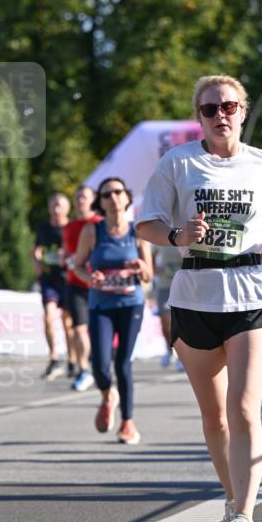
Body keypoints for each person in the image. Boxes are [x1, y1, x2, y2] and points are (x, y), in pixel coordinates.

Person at [136, 75, 262, 522]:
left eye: (229, 106)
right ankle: (233, 500)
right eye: (209, 109)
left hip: (252, 293)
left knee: (244, 409)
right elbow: (146, 224)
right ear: (199, 116)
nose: (220, 115)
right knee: (216, 417)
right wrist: (180, 235)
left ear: (243, 111)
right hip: (195, 296)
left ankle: (244, 517)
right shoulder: (178, 162)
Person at [73, 177, 152, 444]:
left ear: (127, 197)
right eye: (107, 194)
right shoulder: (92, 231)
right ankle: (108, 395)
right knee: (100, 365)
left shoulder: (138, 231)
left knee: (123, 364)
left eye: (118, 192)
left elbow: (149, 274)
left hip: (131, 304)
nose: (113, 197)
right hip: (101, 305)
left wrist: (141, 267)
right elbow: (77, 266)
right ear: (101, 202)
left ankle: (128, 422)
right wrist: (89, 278)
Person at [62, 185, 101, 392]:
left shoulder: (99, 224)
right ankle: (83, 369)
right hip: (74, 283)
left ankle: (100, 365)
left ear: (92, 200)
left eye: (84, 197)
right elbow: (67, 252)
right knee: (77, 328)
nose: (80, 201)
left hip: (97, 284)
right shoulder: (69, 226)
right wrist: (66, 258)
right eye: (77, 197)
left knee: (96, 331)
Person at [33, 192, 73, 380]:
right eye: (54, 205)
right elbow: (36, 249)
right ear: (49, 208)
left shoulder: (71, 228)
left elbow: (79, 251)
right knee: (49, 318)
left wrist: (67, 254)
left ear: (67, 209)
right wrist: (38, 263)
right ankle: (54, 357)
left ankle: (73, 360)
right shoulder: (43, 228)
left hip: (67, 279)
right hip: (49, 280)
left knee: (68, 322)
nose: (56, 209)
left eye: (60, 206)